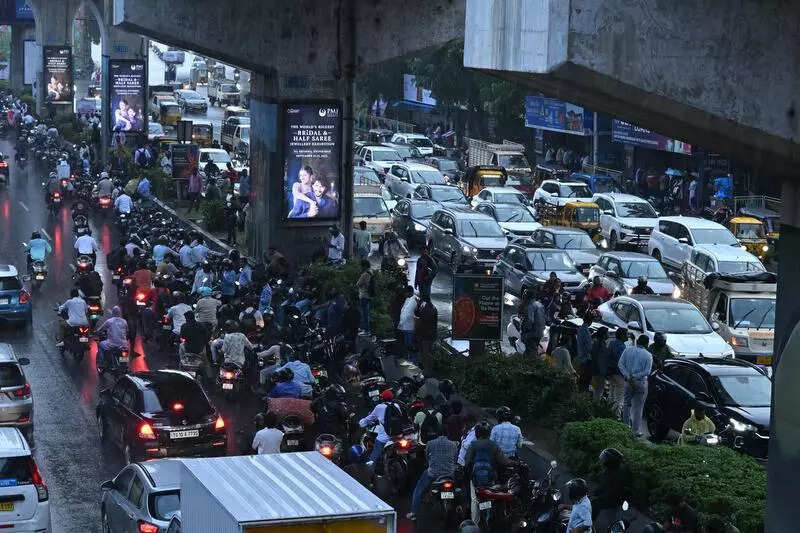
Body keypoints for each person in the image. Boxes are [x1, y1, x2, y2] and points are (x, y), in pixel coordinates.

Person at [465, 421, 513, 524]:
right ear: (488, 433)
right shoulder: (493, 445)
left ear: (477, 433)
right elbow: (503, 461)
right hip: (490, 478)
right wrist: (514, 463)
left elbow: (467, 462)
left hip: (476, 479)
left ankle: (474, 522)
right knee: (491, 497)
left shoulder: (473, 445)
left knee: (474, 500)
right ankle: (489, 518)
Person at [406, 426, 458, 521]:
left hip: (433, 473)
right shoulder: (453, 444)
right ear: (447, 434)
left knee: (418, 489)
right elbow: (455, 459)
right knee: (458, 489)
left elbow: (427, 457)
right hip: (449, 473)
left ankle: (413, 513)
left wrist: (430, 463)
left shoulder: (430, 443)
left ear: (436, 434)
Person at [359, 389, 407, 464]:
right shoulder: (396, 405)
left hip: (385, 437)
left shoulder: (379, 407)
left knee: (374, 455)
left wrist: (362, 423)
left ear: (383, 398)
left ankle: (369, 469)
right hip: (398, 435)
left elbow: (369, 418)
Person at [618, 334, 653, 437]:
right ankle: (635, 431)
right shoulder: (648, 355)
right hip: (640, 382)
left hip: (628, 382)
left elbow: (620, 364)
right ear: (647, 344)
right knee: (638, 407)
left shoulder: (627, 350)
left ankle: (625, 427)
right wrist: (635, 376)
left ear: (637, 342)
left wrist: (628, 376)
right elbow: (647, 371)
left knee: (626, 404)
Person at [592, 448, 631, 531]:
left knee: (614, 523)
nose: (602, 462)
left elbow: (613, 492)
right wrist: (595, 492)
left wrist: (599, 497)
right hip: (610, 500)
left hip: (615, 501)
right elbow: (603, 484)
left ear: (610, 462)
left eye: (604, 460)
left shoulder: (619, 474)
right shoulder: (610, 470)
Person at [607, 328, 628, 417]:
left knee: (611, 394)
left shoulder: (612, 343)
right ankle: (616, 416)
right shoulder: (621, 346)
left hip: (611, 372)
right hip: (619, 374)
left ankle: (607, 412)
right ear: (622, 336)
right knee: (619, 398)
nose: (627, 336)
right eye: (626, 334)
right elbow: (621, 362)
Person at [415, 296, 438, 374]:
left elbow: (422, 316)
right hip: (424, 334)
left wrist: (419, 305)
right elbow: (417, 314)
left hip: (428, 335)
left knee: (426, 354)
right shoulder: (426, 307)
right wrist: (418, 305)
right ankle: (425, 370)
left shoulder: (430, 308)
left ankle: (428, 371)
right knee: (423, 353)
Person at [521, 291, 546, 357]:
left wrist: (526, 331)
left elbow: (530, 320)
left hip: (532, 333)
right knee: (532, 349)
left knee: (531, 352)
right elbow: (545, 318)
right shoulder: (540, 304)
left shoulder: (530, 306)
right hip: (540, 332)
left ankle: (532, 362)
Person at [590, 327, 611, 402]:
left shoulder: (596, 343)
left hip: (596, 371)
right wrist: (603, 372)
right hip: (599, 372)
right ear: (604, 335)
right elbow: (600, 359)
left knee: (597, 391)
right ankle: (595, 406)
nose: (608, 335)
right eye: (607, 333)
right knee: (598, 391)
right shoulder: (600, 345)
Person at [397, 286, 417, 362]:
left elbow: (409, 314)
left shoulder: (415, 300)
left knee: (411, 345)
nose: (405, 294)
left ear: (410, 292)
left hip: (411, 327)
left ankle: (413, 361)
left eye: (406, 292)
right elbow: (404, 311)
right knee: (407, 345)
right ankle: (409, 358)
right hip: (405, 327)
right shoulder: (407, 299)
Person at [575, 313, 594, 392]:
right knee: (584, 381)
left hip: (580, 357)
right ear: (591, 321)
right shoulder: (586, 331)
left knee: (582, 380)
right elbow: (589, 348)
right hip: (585, 359)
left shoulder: (580, 329)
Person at [355, 260, 373, 333]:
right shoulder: (371, 272)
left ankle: (365, 329)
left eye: (361, 266)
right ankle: (365, 329)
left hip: (363, 295)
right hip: (369, 295)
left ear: (364, 266)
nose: (361, 267)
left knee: (364, 313)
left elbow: (358, 284)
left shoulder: (365, 274)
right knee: (366, 313)